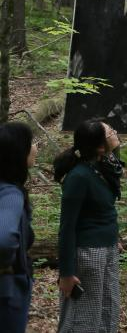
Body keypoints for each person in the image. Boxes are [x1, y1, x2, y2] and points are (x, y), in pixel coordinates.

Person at [54, 119, 124, 333]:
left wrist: (113, 238)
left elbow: (106, 206)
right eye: (109, 132)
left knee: (107, 310)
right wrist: (66, 273)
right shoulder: (79, 177)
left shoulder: (101, 166)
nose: (114, 133)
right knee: (84, 315)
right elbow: (67, 227)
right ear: (100, 146)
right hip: (88, 254)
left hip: (108, 248)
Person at [0, 122, 37, 333]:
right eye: (31, 143)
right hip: (6, 296)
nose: (35, 148)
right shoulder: (10, 194)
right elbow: (4, 241)